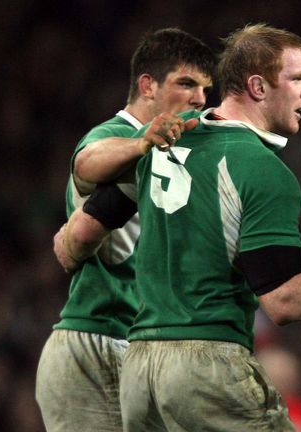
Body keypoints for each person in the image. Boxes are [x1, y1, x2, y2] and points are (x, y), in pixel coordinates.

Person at [56, 23, 301, 431]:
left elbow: (79, 237)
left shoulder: (165, 138)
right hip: (207, 368)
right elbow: (283, 302)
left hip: (140, 372)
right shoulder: (262, 170)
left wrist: (71, 247)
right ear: (258, 87)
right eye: (298, 79)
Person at [36, 28, 213, 432]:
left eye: (205, 88)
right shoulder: (113, 137)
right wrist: (139, 144)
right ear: (147, 85)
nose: (200, 98)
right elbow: (86, 161)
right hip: (96, 340)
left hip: (140, 349)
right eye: (186, 83)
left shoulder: (175, 159)